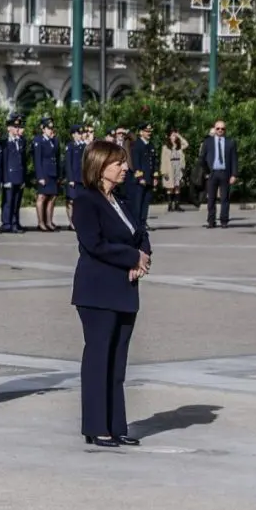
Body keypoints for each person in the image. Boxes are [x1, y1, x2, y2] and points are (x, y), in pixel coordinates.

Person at [72, 139, 151, 448]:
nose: (125, 168)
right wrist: (131, 258)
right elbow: (94, 244)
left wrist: (142, 256)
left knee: (117, 363)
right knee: (98, 359)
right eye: (118, 163)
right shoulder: (85, 201)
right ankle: (95, 426)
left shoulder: (122, 199)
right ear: (100, 166)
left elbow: (140, 233)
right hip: (98, 291)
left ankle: (117, 425)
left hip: (125, 289)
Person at [199, 120, 237, 228]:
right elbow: (202, 159)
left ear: (225, 130)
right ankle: (211, 221)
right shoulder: (208, 142)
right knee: (211, 199)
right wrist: (206, 171)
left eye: (222, 128)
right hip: (212, 173)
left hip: (225, 173)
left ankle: (224, 220)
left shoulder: (230, 142)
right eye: (218, 128)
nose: (220, 130)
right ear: (214, 129)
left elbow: (234, 159)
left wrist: (234, 174)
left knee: (225, 198)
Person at [31, 118, 62, 231]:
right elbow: (37, 160)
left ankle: (49, 221)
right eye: (48, 128)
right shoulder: (38, 140)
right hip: (44, 173)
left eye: (51, 128)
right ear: (42, 129)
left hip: (52, 172)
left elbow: (57, 156)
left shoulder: (52, 140)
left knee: (52, 197)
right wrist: (40, 176)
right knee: (42, 197)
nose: (50, 130)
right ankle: (41, 222)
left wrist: (54, 139)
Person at [160, 129, 188, 212]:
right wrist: (164, 171)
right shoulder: (165, 147)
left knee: (177, 186)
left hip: (178, 167)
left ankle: (177, 205)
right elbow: (163, 160)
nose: (174, 137)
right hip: (169, 168)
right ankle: (169, 205)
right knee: (170, 187)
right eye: (173, 135)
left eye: (175, 136)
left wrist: (179, 135)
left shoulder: (179, 146)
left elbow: (186, 144)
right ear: (169, 137)